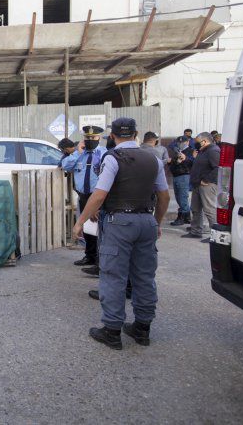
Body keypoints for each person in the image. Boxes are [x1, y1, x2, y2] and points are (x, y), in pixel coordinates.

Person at [73, 118, 170, 350]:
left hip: (119, 222)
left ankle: (112, 331)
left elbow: (99, 195)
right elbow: (164, 197)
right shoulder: (154, 159)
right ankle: (142, 328)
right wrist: (156, 223)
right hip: (146, 219)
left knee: (114, 276)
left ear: (113, 137)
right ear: (136, 134)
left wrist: (80, 222)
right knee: (144, 276)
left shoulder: (113, 158)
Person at [62, 125, 107, 274]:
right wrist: (77, 153)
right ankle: (90, 256)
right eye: (87, 138)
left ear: (99, 138)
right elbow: (65, 166)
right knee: (87, 228)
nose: (90, 140)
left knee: (100, 229)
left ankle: (101, 262)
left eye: (93, 138)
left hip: (98, 197)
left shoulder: (103, 153)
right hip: (83, 195)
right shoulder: (78, 154)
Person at [182, 132, 220, 242]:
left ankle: (215, 236)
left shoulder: (213, 151)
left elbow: (218, 168)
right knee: (195, 209)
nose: (195, 144)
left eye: (197, 142)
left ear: (204, 141)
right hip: (197, 184)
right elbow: (197, 166)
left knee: (209, 210)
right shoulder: (203, 151)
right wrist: (187, 160)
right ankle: (196, 231)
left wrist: (206, 179)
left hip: (207, 185)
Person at [168, 136, 194, 226]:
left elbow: (192, 163)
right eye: (179, 142)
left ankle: (182, 217)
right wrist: (175, 162)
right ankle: (187, 217)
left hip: (184, 175)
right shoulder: (177, 151)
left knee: (182, 197)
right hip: (176, 175)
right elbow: (173, 164)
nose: (180, 144)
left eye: (182, 142)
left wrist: (185, 158)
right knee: (178, 197)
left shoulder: (191, 151)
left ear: (187, 142)